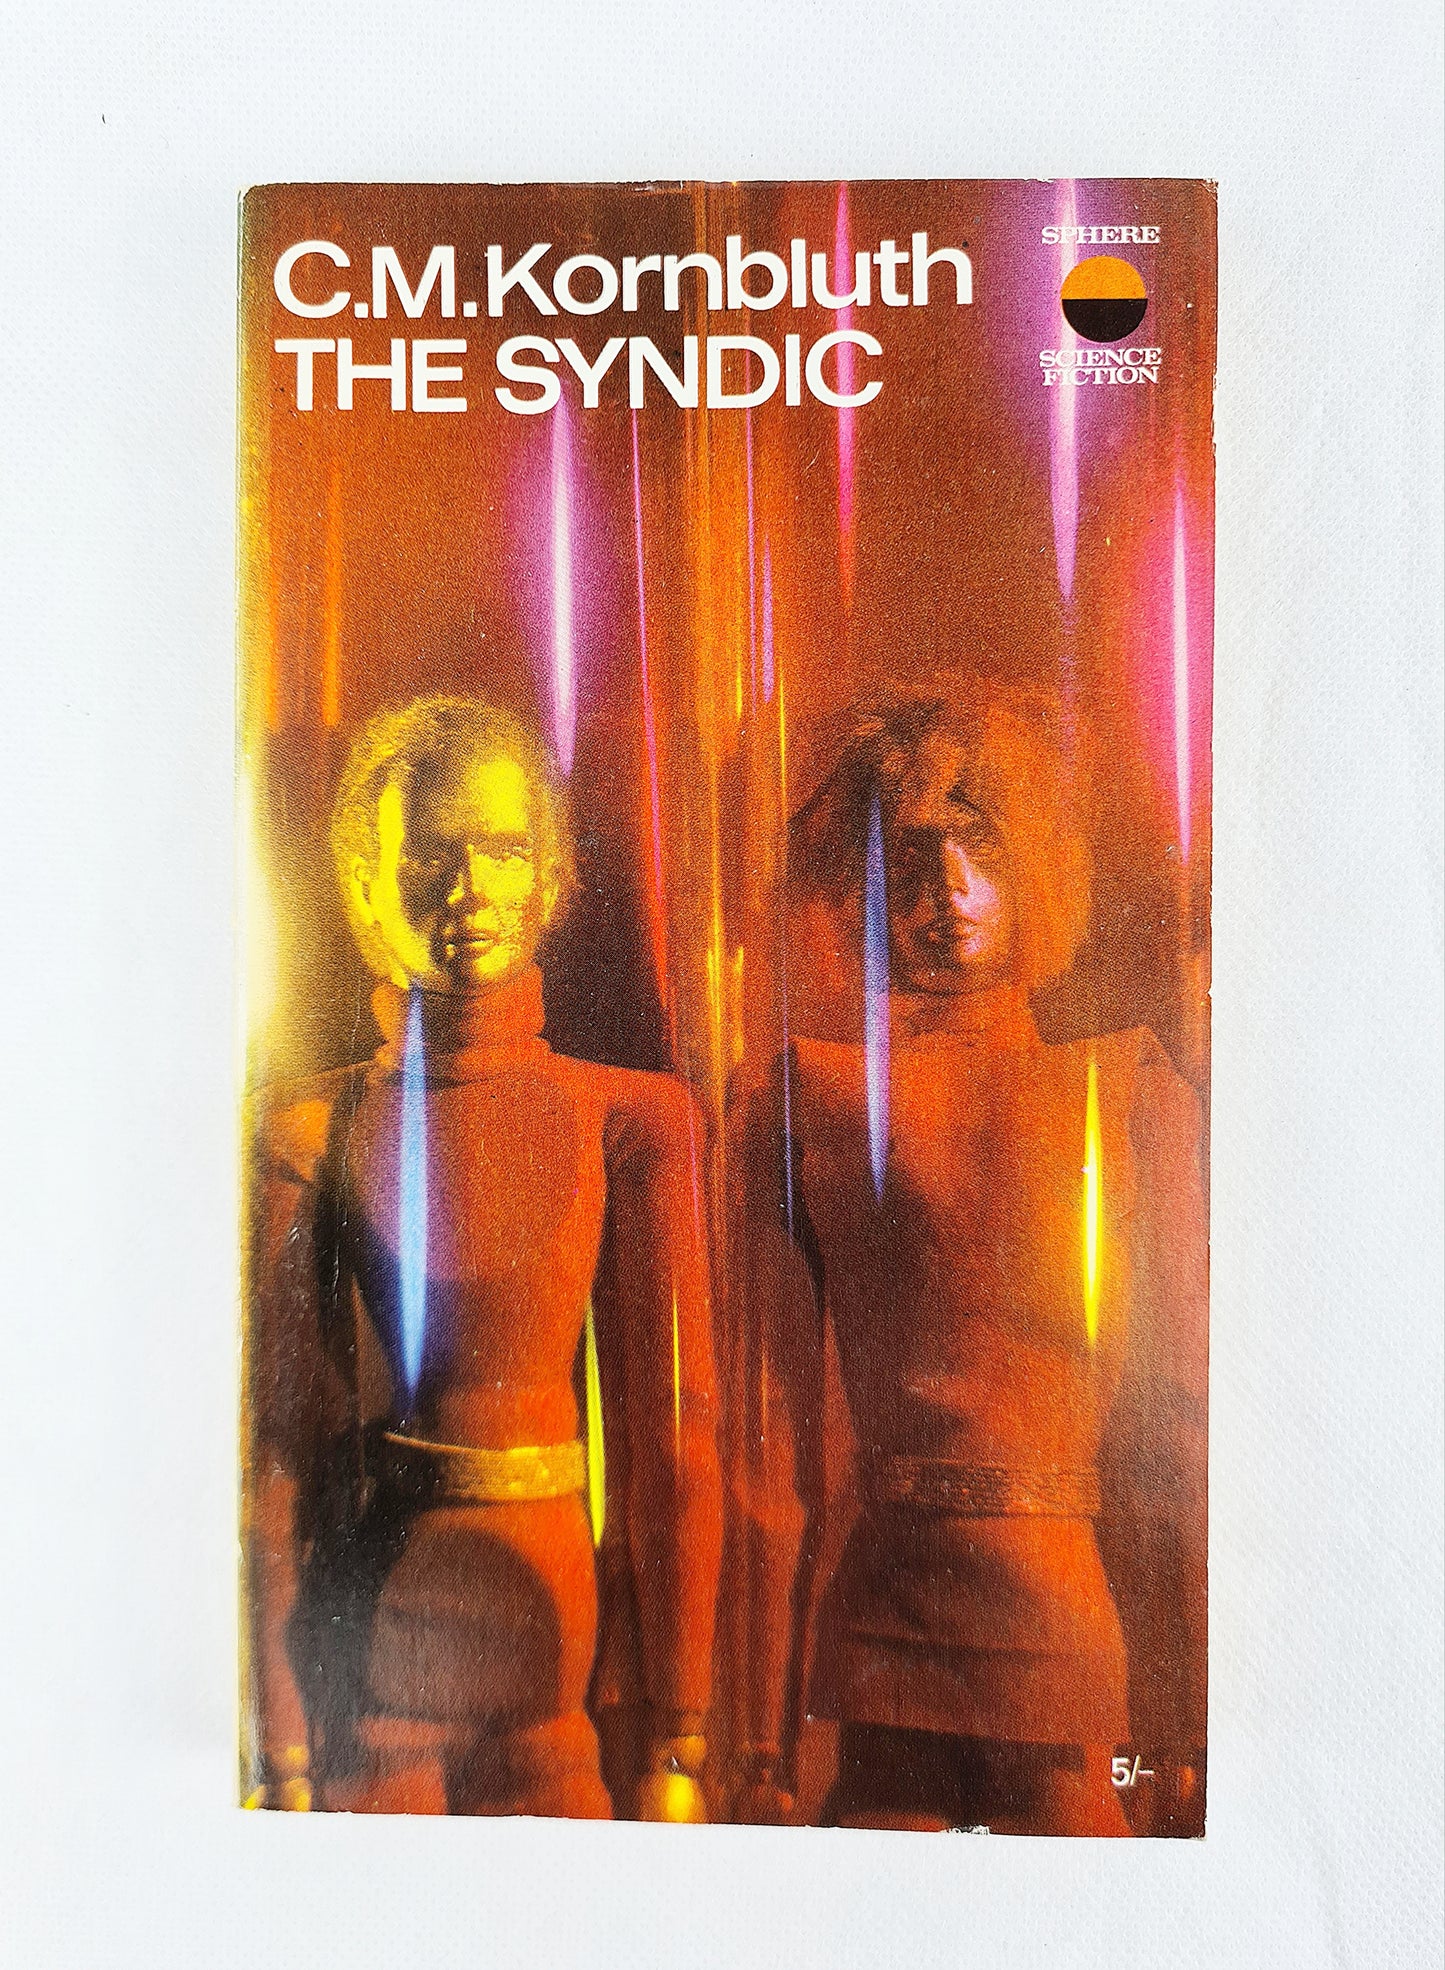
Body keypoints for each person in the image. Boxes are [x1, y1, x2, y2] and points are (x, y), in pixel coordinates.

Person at [730, 677, 1207, 1834]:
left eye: (977, 850)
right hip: (876, 1625)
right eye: (908, 859)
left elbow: (1178, 1423)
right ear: (858, 885)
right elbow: (765, 1442)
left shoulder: (1123, 1091)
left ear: (1032, 867)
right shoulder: (802, 1097)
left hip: (1064, 1622)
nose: (944, 891)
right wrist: (748, 1731)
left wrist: (1189, 1713)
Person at [244, 696, 723, 1819]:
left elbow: (674, 1443)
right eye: (429, 855)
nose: (468, 890)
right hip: (377, 1644)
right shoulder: (310, 1127)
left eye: (502, 851)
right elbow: (276, 1463)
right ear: (366, 883)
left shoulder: (628, 1118)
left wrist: (681, 1731)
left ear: (550, 875)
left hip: (556, 1643)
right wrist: (283, 1745)